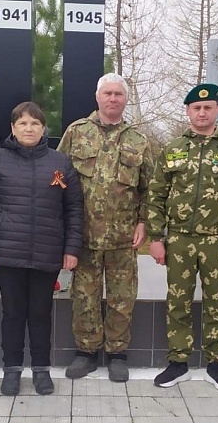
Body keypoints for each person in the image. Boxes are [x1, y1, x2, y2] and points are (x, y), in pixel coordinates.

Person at [147, 83, 218, 392]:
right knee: (178, 302)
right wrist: (156, 236)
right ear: (188, 111)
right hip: (179, 239)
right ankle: (178, 362)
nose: (202, 112)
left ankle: (216, 364)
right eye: (196, 107)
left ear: (217, 110)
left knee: (216, 303)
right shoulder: (173, 149)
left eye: (208, 107)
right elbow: (156, 195)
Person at [0, 102, 83, 396]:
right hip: (8, 254)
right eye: (22, 123)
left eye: (35, 123)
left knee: (40, 313)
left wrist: (71, 249)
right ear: (12, 128)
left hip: (47, 254)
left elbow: (74, 210)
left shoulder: (60, 163)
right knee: (12, 314)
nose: (29, 128)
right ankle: (11, 370)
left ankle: (40, 370)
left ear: (43, 128)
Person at [58, 73, 152, 382]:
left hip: (123, 237)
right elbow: (56, 179)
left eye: (118, 94)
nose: (113, 98)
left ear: (126, 100)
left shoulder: (138, 140)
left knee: (121, 297)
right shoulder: (76, 133)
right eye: (107, 93)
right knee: (84, 295)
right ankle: (86, 352)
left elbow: (149, 188)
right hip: (82, 235)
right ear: (97, 97)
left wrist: (143, 222)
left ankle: (117, 353)